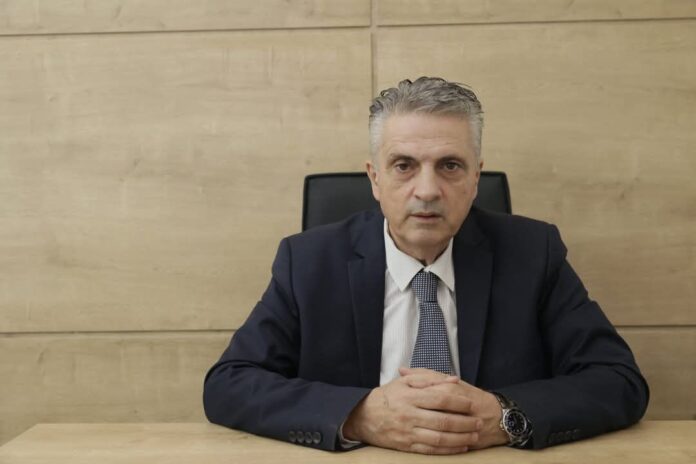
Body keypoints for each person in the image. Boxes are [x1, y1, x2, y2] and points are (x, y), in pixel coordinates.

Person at [203, 77, 649, 454]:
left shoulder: (533, 253)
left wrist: (503, 415)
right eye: (404, 165)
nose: (428, 190)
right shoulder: (308, 262)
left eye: (450, 165)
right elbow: (229, 384)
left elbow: (617, 380)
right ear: (375, 178)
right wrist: (359, 415)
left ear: (476, 178)